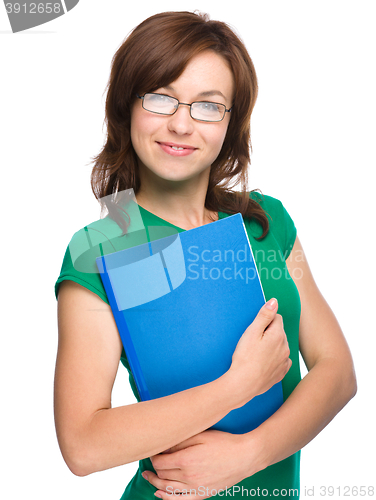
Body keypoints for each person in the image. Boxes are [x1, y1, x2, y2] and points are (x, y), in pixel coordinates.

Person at [54, 11, 357, 500]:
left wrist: (248, 455)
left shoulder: (267, 222)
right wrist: (236, 386)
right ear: (127, 106)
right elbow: (82, 445)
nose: (181, 124)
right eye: (160, 97)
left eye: (208, 106)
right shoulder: (103, 245)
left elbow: (338, 372)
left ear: (230, 122)